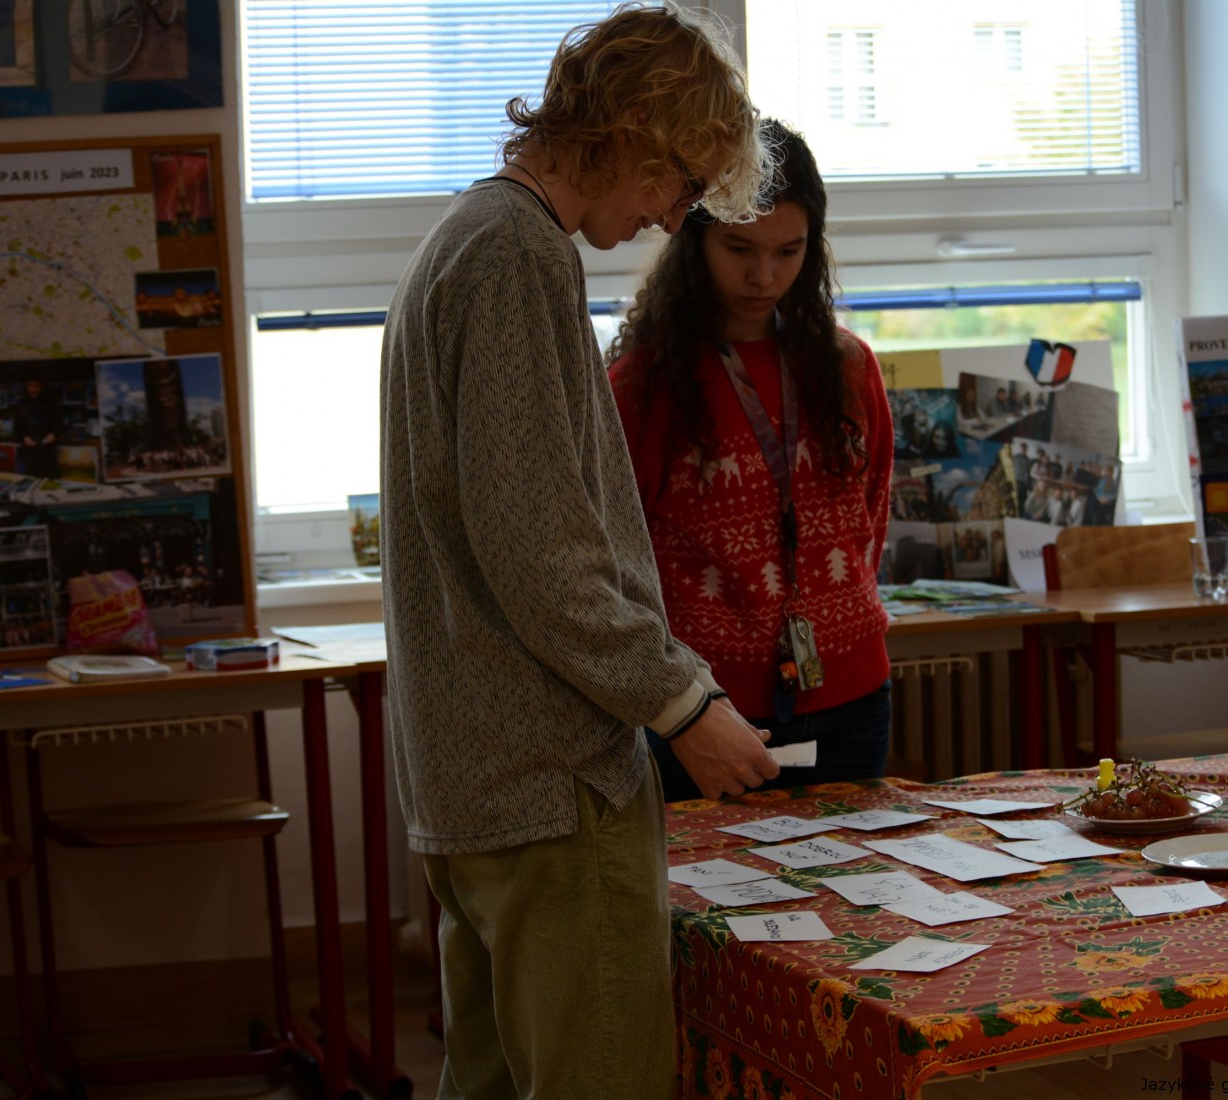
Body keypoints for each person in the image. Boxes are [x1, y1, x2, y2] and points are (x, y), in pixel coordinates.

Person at [378, 6, 775, 1096]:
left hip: (476, 779)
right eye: (681, 182)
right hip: (549, 781)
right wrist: (683, 705)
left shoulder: (469, 236)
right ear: (632, 132)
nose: (674, 216)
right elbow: (542, 554)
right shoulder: (514, 254)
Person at [608, 119, 895, 801]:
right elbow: (619, 559)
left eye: (789, 251)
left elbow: (872, 513)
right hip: (706, 713)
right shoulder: (643, 383)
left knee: (857, 867)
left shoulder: (848, 365)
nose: (764, 276)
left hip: (852, 695)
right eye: (739, 248)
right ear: (694, 240)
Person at [13, 378, 59, 480]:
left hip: (47, 451)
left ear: (41, 386)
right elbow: (17, 429)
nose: (33, 389)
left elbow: (59, 424)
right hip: (30, 453)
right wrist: (24, 438)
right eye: (30, 386)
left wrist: (54, 434)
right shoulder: (21, 404)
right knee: (30, 481)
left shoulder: (51, 402)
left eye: (36, 386)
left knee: (49, 482)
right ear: (26, 387)